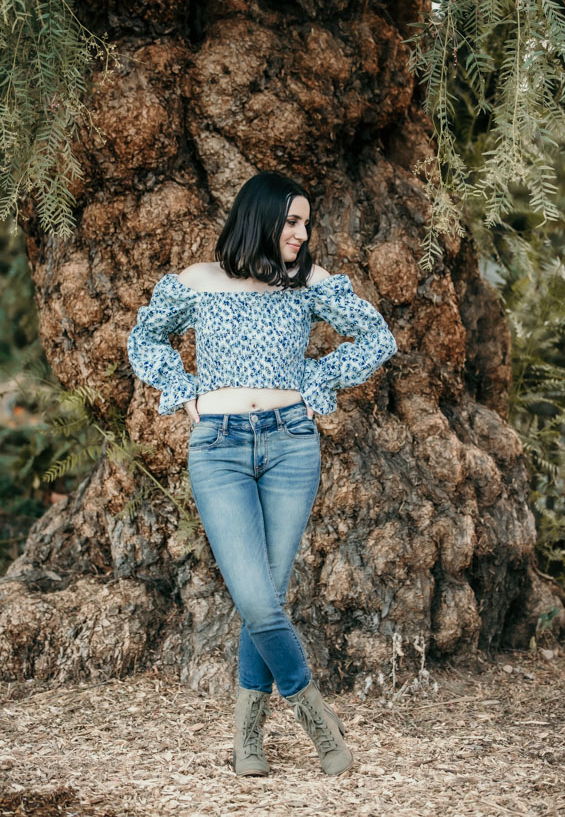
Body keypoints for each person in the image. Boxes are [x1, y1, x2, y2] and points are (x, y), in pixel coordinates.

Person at [126, 170, 397, 777]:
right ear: (261, 217)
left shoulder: (308, 284)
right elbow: (145, 339)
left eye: (307, 224)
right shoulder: (198, 282)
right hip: (218, 450)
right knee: (256, 598)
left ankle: (246, 733)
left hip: (290, 445)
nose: (303, 234)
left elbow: (376, 337)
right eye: (293, 221)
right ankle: (314, 714)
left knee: (266, 597)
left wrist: (315, 380)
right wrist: (184, 392)